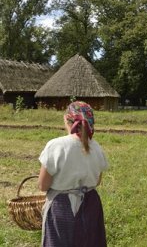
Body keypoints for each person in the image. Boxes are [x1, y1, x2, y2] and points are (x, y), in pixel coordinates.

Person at [38, 101, 108, 247]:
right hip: (91, 204)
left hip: (62, 207)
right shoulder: (96, 146)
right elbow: (97, 181)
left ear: (66, 119)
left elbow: (43, 185)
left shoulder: (56, 145)